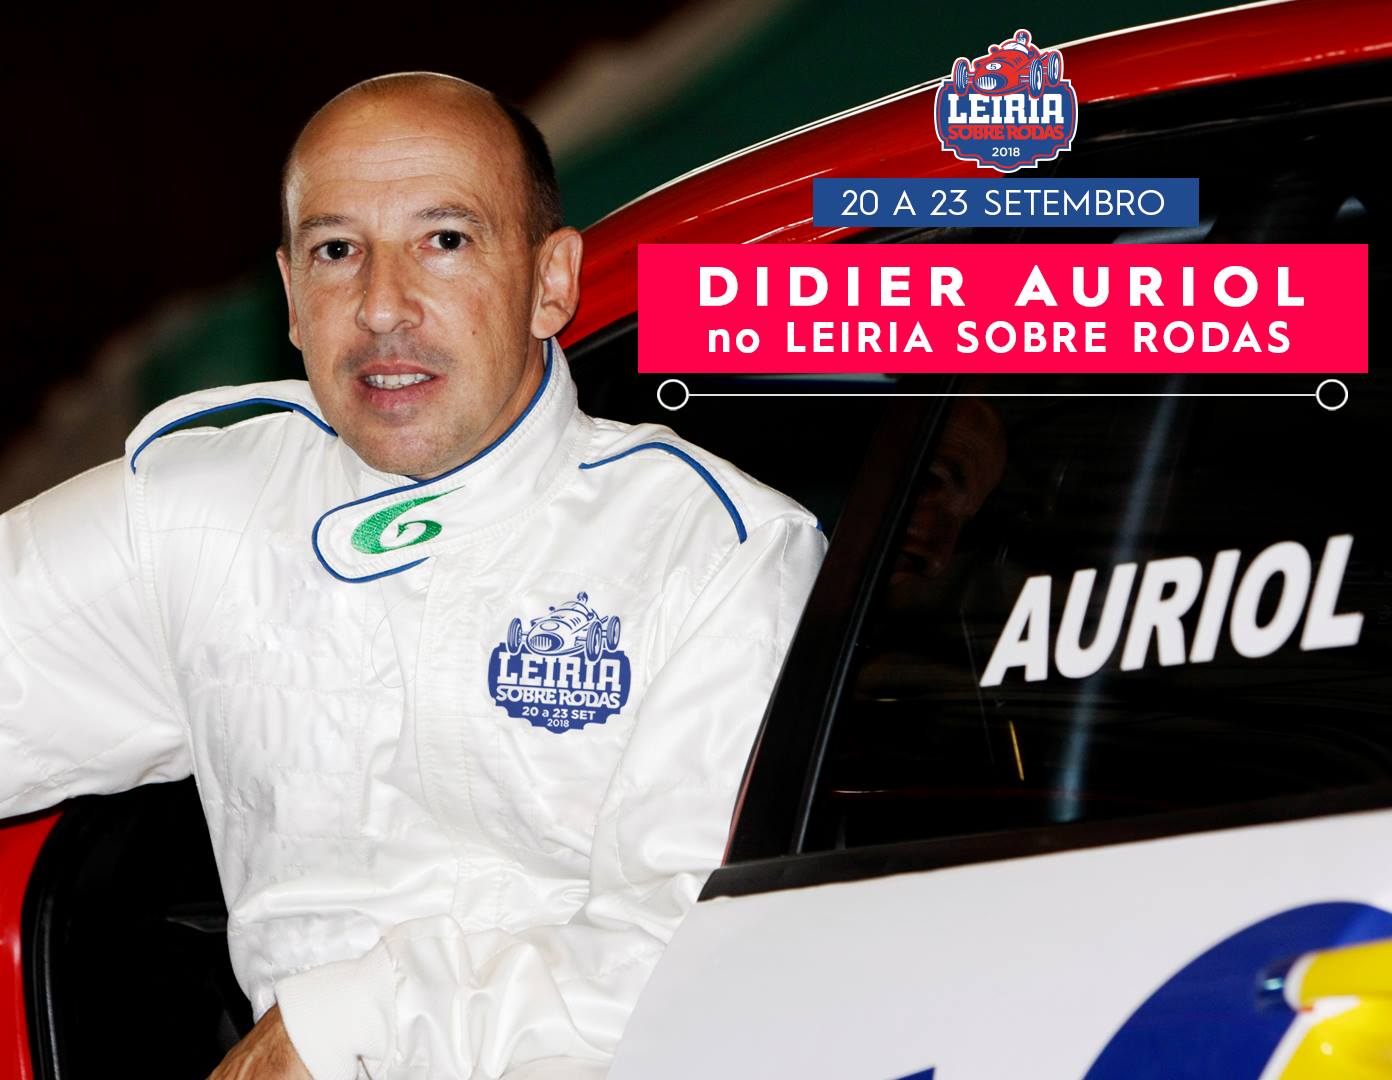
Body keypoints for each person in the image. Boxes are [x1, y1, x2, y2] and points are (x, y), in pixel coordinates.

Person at [0, 73, 826, 1079]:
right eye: (336, 251)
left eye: (445, 240)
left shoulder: (714, 549)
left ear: (552, 282)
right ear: (291, 298)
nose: (382, 306)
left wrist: (343, 1026)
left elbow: (703, 957)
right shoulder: (202, 514)